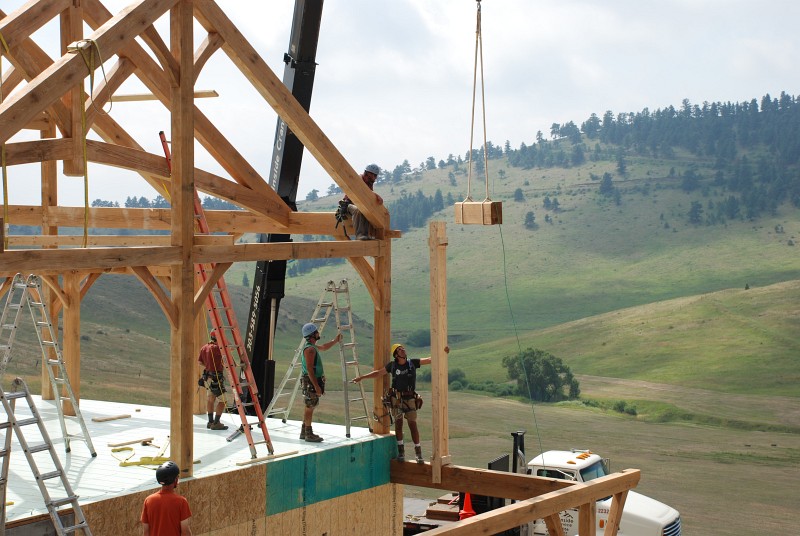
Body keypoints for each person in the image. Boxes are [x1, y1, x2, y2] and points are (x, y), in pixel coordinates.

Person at [353, 343, 431, 463]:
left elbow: (429, 360)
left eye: (403, 348)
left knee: (412, 425)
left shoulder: (412, 363)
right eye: (400, 350)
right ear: (396, 354)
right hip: (396, 399)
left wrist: (442, 352)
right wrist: (362, 377)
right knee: (398, 424)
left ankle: (418, 453)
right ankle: (401, 452)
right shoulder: (392, 366)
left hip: (410, 398)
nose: (403, 350)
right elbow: (378, 373)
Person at [300, 322, 342, 442]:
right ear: (312, 335)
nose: (318, 333)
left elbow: (323, 347)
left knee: (310, 405)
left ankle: (304, 432)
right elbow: (309, 369)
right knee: (310, 406)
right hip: (310, 381)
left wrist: (335, 340)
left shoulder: (312, 347)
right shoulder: (310, 350)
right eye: (316, 331)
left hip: (310, 381)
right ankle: (308, 433)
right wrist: (316, 386)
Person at [140, 460, 192, 535]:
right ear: (176, 479)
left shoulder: (148, 500)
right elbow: (185, 531)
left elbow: (146, 531)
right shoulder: (181, 502)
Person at [340, 163, 383, 240]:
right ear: (366, 174)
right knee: (358, 210)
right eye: (372, 176)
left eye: (375, 176)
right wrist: (376, 195)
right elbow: (362, 190)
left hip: (359, 205)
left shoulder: (369, 183)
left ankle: (367, 235)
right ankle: (360, 235)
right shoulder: (358, 179)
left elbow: (368, 193)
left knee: (368, 211)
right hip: (348, 205)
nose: (374, 178)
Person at [197, 333, 228, 430]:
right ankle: (216, 423)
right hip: (216, 378)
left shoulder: (204, 347)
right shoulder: (217, 348)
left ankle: (210, 422)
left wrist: (208, 366)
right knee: (223, 401)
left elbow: (199, 362)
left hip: (207, 378)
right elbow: (230, 348)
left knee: (210, 400)